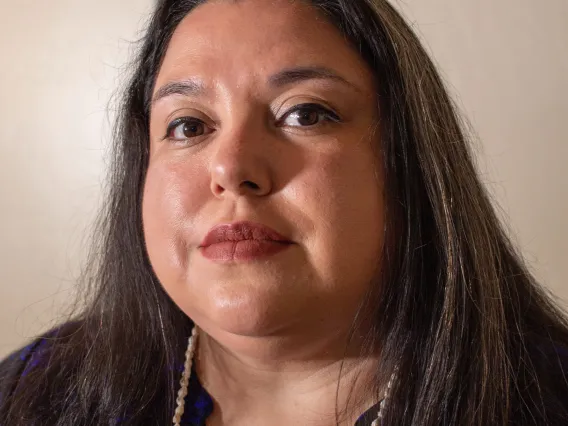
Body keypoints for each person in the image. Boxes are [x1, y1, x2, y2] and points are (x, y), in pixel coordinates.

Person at [1, 0, 567, 425]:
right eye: (189, 125)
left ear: (410, 160)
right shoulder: (34, 394)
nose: (232, 167)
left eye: (305, 114)